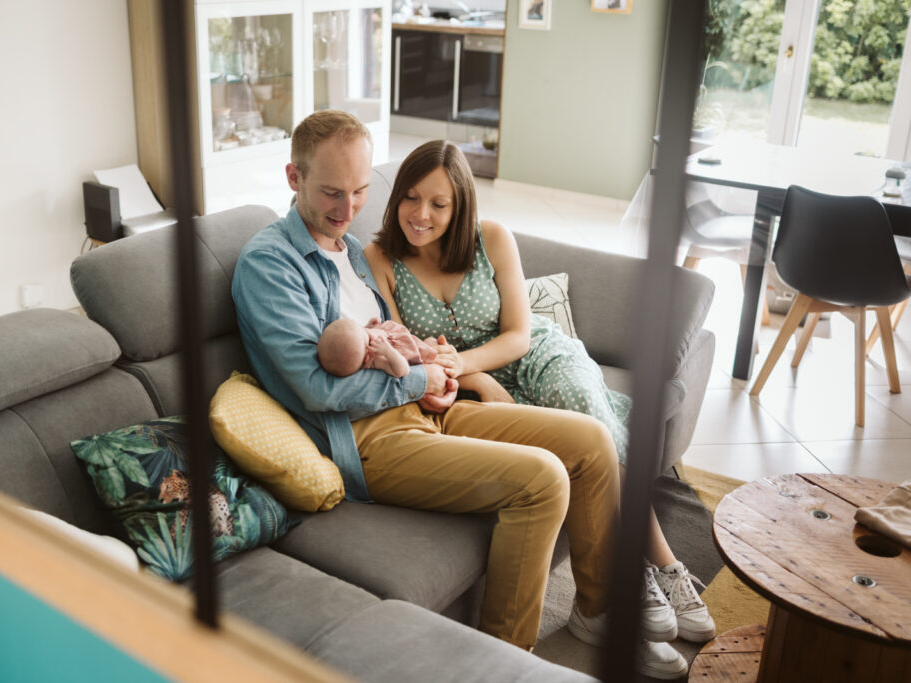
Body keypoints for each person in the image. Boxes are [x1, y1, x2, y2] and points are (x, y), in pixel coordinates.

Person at [231, 111, 636, 667]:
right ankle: (500, 664)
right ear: (293, 178)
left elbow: (390, 339)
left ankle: (598, 615)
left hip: (422, 410)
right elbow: (317, 388)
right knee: (541, 480)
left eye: (359, 192)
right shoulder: (269, 264)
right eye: (331, 192)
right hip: (366, 442)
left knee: (590, 443)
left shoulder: (349, 251)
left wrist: (437, 379)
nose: (348, 211)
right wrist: (420, 378)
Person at [366, 141, 716, 663]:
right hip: (461, 388)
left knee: (579, 403)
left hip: (532, 357)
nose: (421, 215)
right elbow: (406, 355)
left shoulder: (493, 239)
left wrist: (466, 365)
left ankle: (656, 564)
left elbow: (519, 336)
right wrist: (473, 383)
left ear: (460, 203)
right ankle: (628, 582)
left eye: (438, 204)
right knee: (572, 450)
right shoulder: (379, 259)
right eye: (411, 198)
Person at [317, 316, 440, 378]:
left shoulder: (360, 339)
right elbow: (403, 371)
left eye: (365, 333)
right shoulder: (378, 359)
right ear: (366, 358)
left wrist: (369, 327)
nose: (373, 339)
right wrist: (388, 352)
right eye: (370, 342)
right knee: (433, 351)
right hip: (414, 355)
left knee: (430, 342)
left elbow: (362, 335)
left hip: (408, 339)